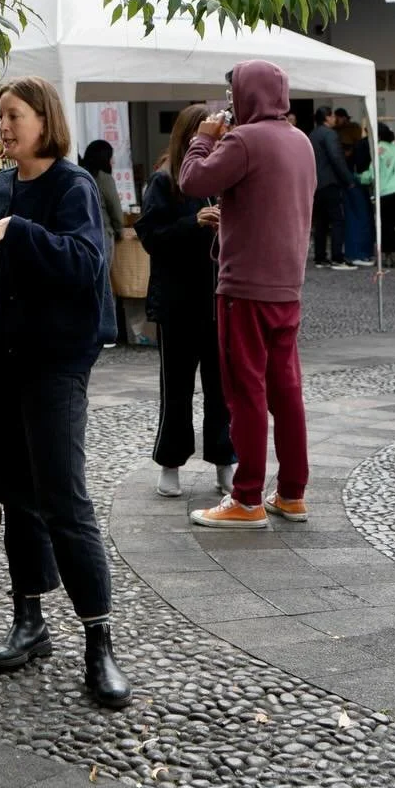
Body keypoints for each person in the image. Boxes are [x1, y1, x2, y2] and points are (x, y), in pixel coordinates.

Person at [0, 76, 130, 710]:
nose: (3, 126)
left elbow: (87, 266)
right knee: (15, 496)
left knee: (64, 499)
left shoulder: (73, 185)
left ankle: (99, 642)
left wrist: (19, 234)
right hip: (0, 364)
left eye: (13, 115)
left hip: (55, 365)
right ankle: (29, 620)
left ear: (44, 119)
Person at [178, 60, 314, 531]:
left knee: (245, 392)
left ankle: (247, 498)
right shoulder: (301, 141)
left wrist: (204, 137)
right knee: (286, 390)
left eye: (233, 93)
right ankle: (292, 492)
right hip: (286, 285)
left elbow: (192, 181)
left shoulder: (244, 140)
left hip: (244, 287)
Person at [134, 104, 235, 500]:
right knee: (176, 389)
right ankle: (170, 462)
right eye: (206, 134)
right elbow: (151, 237)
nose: (214, 142)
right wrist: (192, 223)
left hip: (219, 301)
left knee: (221, 389)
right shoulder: (165, 181)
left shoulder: (226, 178)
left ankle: (225, 461)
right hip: (177, 303)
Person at [360, 123, 395, 266]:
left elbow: (372, 175)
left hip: (386, 193)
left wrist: (359, 177)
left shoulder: (378, 150)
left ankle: (388, 256)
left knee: (387, 225)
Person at [308, 108, 354, 271]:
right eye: (332, 115)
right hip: (330, 182)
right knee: (337, 220)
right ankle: (337, 257)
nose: (335, 118)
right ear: (327, 118)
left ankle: (320, 257)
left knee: (320, 222)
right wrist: (348, 179)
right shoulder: (330, 134)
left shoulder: (312, 135)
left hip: (315, 183)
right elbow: (336, 157)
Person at [80, 140, 126, 256]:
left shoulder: (80, 176)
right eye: (111, 157)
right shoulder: (104, 179)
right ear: (104, 158)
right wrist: (119, 231)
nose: (113, 161)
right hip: (102, 235)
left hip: (81, 235)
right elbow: (115, 210)